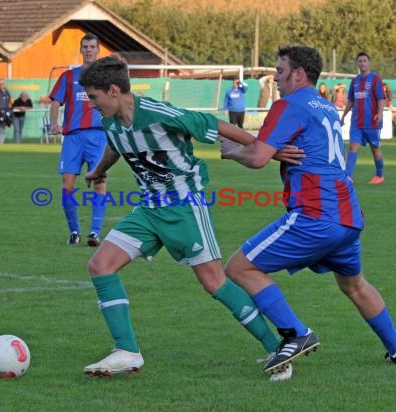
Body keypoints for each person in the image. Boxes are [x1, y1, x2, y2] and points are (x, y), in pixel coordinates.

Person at [79, 56, 304, 380]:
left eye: (94, 97)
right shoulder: (111, 121)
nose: (92, 104)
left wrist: (267, 149)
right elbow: (116, 145)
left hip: (185, 208)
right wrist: (100, 170)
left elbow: (214, 126)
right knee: (100, 265)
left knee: (214, 282)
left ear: (113, 90)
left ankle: (275, 350)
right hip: (148, 209)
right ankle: (127, 350)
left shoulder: (159, 114)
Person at [220, 45, 396, 375]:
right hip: (347, 214)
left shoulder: (287, 105)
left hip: (315, 212)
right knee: (354, 284)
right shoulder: (324, 106)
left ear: (298, 74)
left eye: (280, 71)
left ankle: (297, 333)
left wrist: (232, 152)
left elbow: (257, 157)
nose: (276, 78)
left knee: (239, 268)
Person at [49, 33, 107, 247]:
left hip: (98, 136)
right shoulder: (67, 76)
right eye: (85, 46)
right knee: (68, 186)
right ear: (81, 50)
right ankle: (74, 231)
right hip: (73, 137)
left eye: (93, 46)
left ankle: (94, 233)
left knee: (100, 183)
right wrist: (54, 122)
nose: (89, 50)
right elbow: (55, 102)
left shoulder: (105, 79)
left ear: (98, 50)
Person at [341, 52, 386, 184]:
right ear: (357, 63)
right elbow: (350, 100)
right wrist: (343, 116)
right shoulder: (354, 81)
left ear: (369, 62)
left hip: (372, 121)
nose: (362, 63)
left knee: (375, 148)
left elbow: (381, 98)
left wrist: (380, 113)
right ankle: (348, 177)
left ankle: (380, 175)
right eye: (360, 61)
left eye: (364, 61)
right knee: (353, 146)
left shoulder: (375, 79)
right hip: (356, 122)